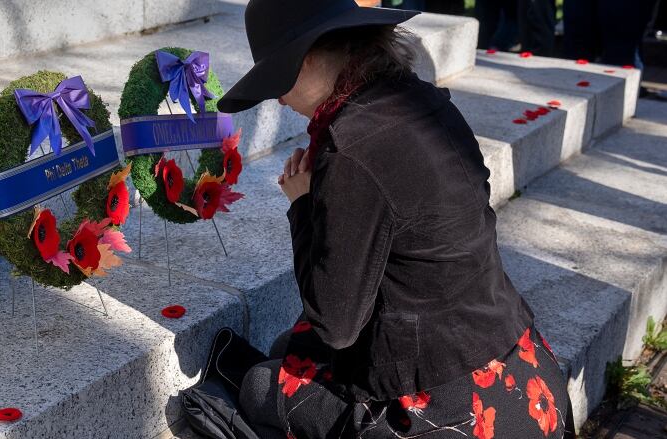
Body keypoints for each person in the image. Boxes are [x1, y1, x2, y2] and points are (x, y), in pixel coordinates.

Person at [216, 0, 575, 437]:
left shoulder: (350, 150)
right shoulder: (419, 98)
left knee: (258, 385)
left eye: (278, 79)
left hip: (454, 408)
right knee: (286, 348)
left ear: (306, 60)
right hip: (520, 370)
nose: (278, 96)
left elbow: (336, 324)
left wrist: (304, 206)